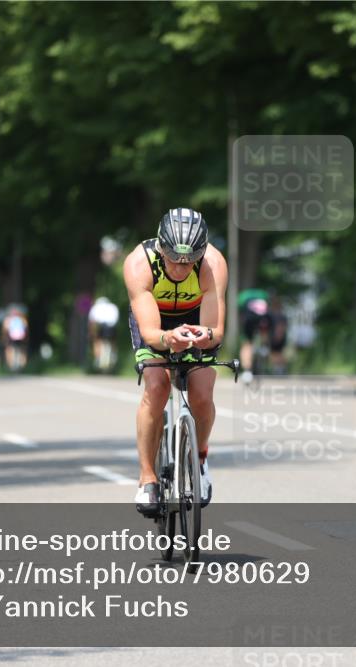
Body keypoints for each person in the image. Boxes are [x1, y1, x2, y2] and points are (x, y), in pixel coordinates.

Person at [123, 208, 227, 516]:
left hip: (195, 320)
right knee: (156, 386)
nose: (181, 269)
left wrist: (201, 336)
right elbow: (152, 333)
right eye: (173, 260)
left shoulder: (213, 263)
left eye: (189, 262)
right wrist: (169, 339)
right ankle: (146, 478)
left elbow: (216, 331)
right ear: (160, 247)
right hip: (155, 322)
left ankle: (201, 457)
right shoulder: (139, 264)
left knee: (202, 391)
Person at [237, 287, 270, 384]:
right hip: (263, 319)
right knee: (264, 329)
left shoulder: (243, 296)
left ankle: (247, 372)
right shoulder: (263, 294)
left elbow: (241, 312)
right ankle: (264, 347)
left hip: (249, 319)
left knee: (246, 344)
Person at [88, 296, 120, 372]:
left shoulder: (95, 307)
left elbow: (92, 321)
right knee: (113, 341)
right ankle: (113, 355)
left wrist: (91, 333)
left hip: (101, 327)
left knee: (96, 340)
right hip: (111, 328)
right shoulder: (113, 307)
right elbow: (116, 319)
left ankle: (97, 358)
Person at [2, 306, 29, 371]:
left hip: (11, 338)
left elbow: (5, 329)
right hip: (21, 337)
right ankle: (23, 366)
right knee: (22, 350)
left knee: (9, 350)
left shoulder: (9, 319)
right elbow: (26, 328)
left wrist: (4, 337)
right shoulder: (22, 318)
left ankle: (11, 366)